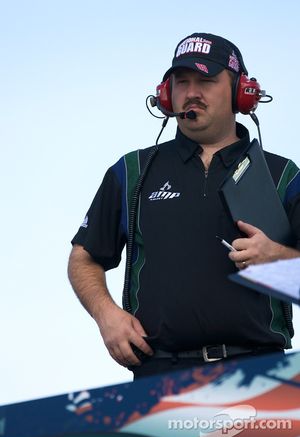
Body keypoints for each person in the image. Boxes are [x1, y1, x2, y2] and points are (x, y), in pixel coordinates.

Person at [68, 33, 300, 379]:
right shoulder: (132, 172)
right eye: (181, 82)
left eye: (206, 81)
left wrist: (279, 259)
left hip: (262, 372)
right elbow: (83, 257)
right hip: (159, 373)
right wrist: (106, 316)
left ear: (242, 93)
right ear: (166, 94)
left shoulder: (283, 174)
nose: (192, 92)